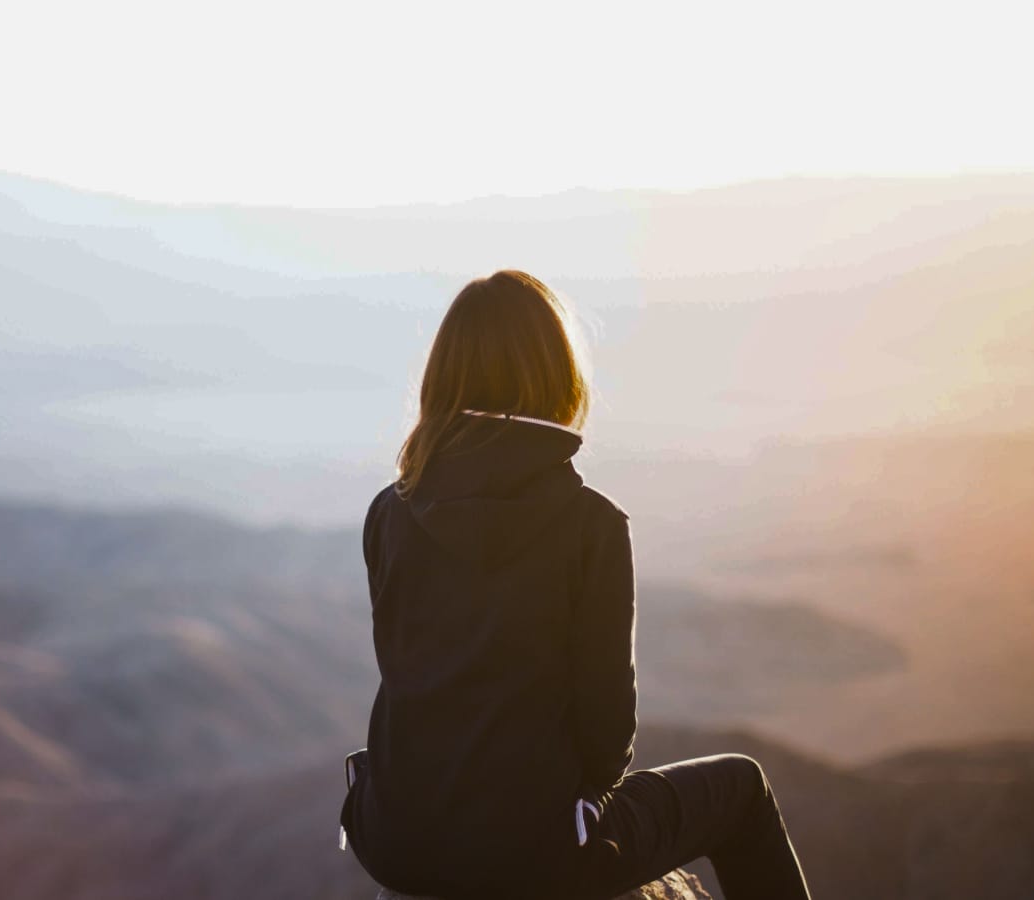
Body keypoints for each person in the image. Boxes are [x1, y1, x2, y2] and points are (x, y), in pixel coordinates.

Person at [340, 269, 811, 900]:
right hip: (535, 854)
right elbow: (607, 726)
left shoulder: (388, 512)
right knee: (741, 787)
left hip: (398, 844)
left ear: (442, 379)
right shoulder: (591, 525)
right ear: (556, 375)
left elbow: (413, 677)